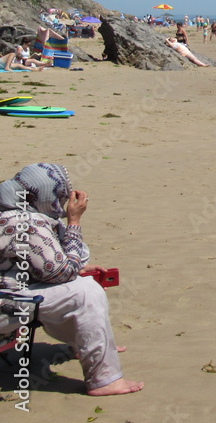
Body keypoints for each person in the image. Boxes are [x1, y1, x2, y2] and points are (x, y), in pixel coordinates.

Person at [0, 163, 143, 396]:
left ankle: (92, 345)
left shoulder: (11, 211)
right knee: (85, 291)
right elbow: (62, 272)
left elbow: (42, 263)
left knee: (80, 277)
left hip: (9, 296)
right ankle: (104, 378)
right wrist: (74, 222)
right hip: (5, 303)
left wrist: (78, 266)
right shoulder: (25, 223)